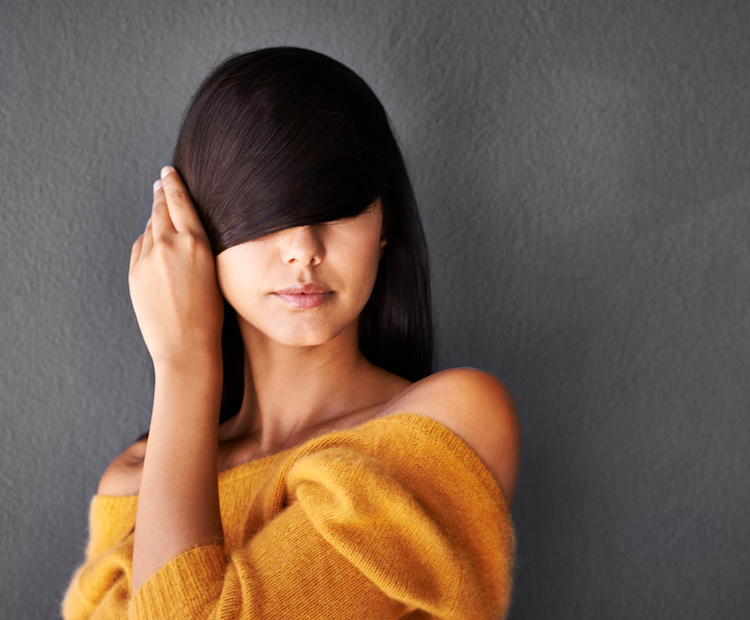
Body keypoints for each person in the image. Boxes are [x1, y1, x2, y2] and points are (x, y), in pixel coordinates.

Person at [61, 47, 520, 619]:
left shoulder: (452, 423)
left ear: (383, 228)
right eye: (266, 210)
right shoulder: (134, 479)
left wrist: (184, 366)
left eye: (335, 206)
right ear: (192, 231)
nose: (303, 248)